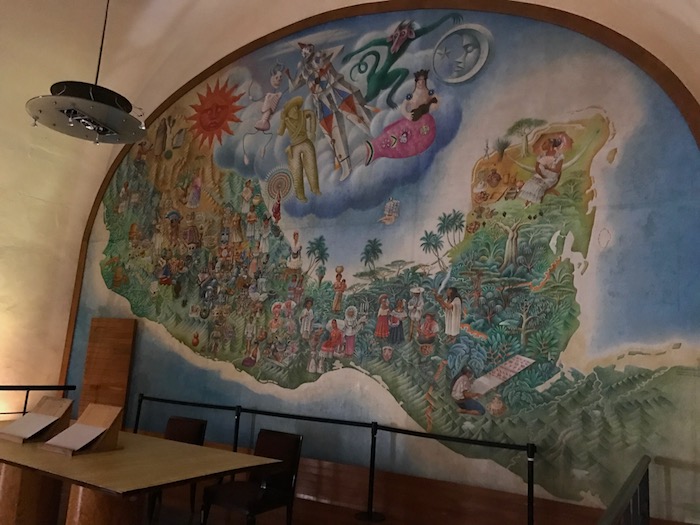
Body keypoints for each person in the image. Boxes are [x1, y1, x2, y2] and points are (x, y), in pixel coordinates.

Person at [518, 137, 564, 206]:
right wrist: (540, 173)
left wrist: (548, 168)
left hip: (551, 178)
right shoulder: (542, 155)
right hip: (540, 175)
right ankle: (528, 201)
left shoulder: (559, 156)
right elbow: (537, 167)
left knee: (538, 187)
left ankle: (535, 202)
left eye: (545, 143)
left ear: (551, 144)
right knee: (529, 183)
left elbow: (557, 170)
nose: (542, 145)